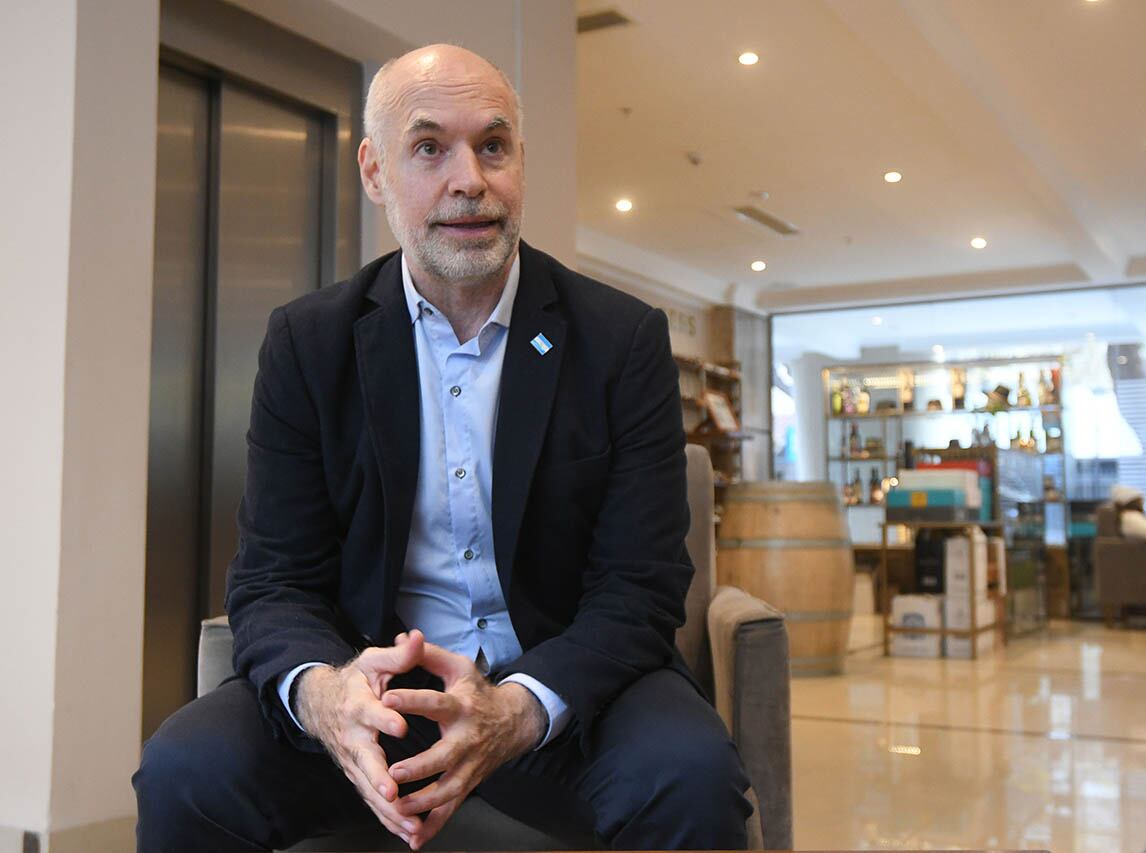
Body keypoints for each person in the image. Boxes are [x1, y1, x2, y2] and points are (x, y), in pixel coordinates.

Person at [133, 44, 752, 852]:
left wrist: (522, 704)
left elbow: (641, 586)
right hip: (376, 691)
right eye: (430, 148)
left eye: (493, 146)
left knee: (693, 778)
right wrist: (328, 695)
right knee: (185, 767)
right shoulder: (308, 342)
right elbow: (273, 578)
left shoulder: (620, 339)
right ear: (374, 170)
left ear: (521, 161)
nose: (470, 179)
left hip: (561, 691)